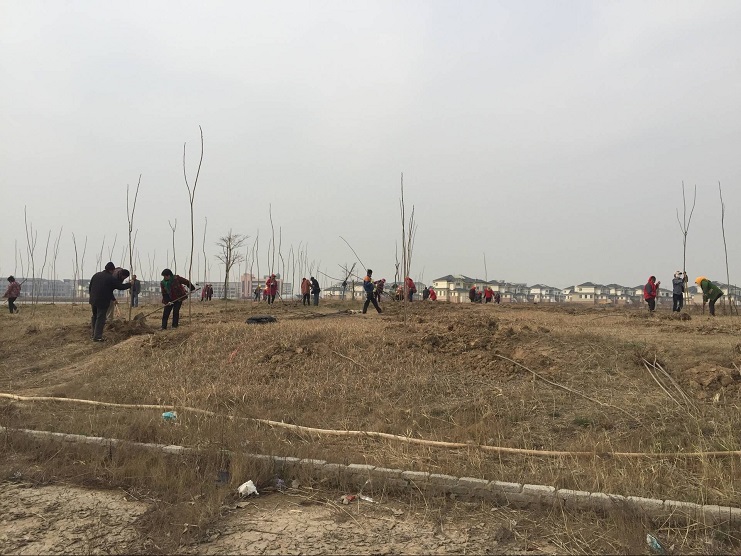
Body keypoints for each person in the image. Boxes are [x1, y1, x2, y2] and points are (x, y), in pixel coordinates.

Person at [89, 262, 131, 342]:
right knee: (101, 318)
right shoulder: (110, 278)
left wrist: (92, 296)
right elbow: (120, 286)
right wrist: (130, 284)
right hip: (102, 301)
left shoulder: (96, 275)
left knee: (94, 316)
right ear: (112, 270)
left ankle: (93, 334)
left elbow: (90, 287)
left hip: (93, 300)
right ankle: (97, 337)